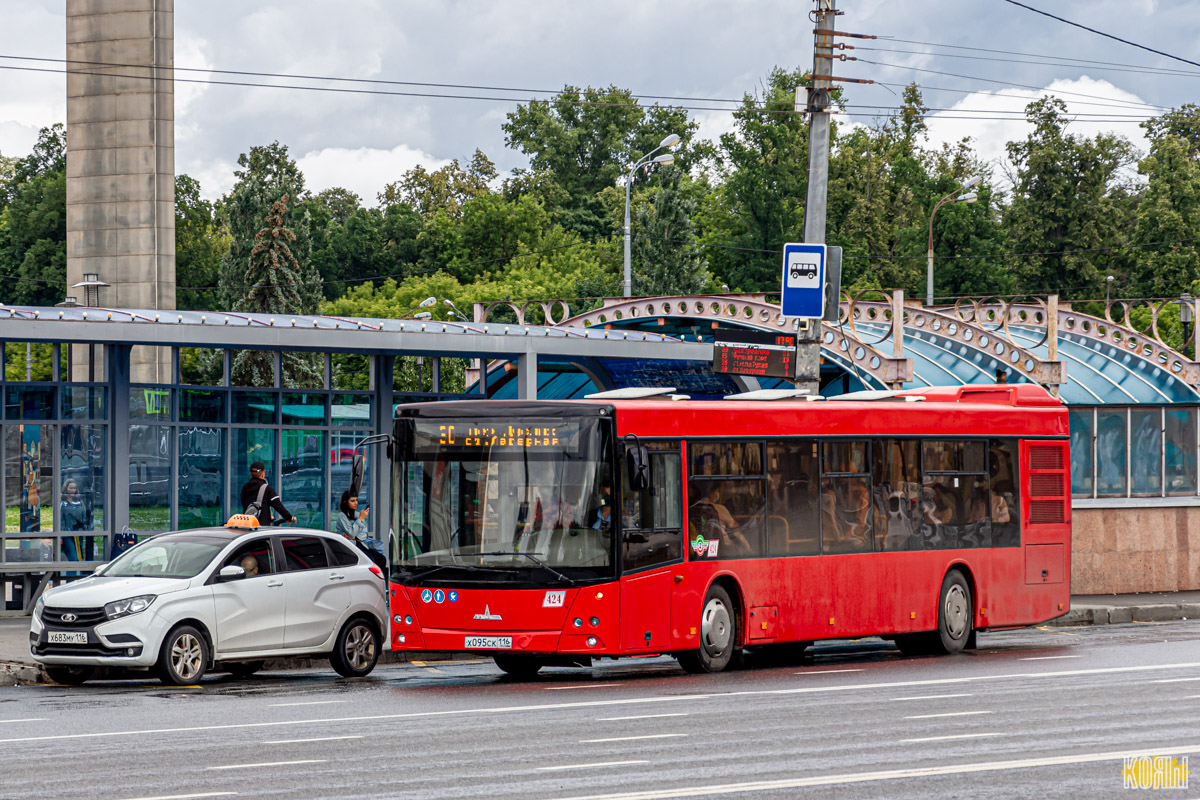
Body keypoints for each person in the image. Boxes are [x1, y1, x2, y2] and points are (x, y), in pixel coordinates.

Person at [240, 462, 296, 526]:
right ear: (263, 474)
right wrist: (289, 517)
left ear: (250, 474)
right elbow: (277, 505)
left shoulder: (245, 488)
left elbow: (245, 504)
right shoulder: (266, 488)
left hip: (247, 525)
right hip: (261, 528)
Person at [336, 490, 384, 556]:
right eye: (352, 501)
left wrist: (355, 538)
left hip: (361, 545)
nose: (356, 503)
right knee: (371, 559)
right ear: (345, 502)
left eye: (356, 500)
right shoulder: (342, 515)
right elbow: (352, 533)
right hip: (349, 548)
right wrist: (360, 519)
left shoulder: (358, 514)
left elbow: (364, 534)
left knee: (381, 558)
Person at [60, 479, 94, 564]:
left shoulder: (80, 502)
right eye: (70, 488)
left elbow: (84, 518)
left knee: (79, 559)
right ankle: (70, 577)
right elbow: (60, 519)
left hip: (79, 533)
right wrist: (60, 535)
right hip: (66, 534)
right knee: (73, 559)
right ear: (66, 489)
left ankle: (74, 577)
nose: (72, 490)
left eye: (74, 488)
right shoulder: (62, 503)